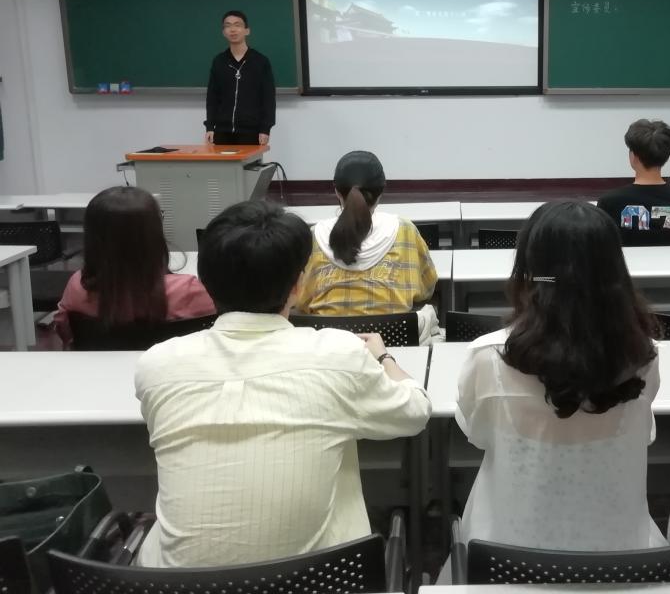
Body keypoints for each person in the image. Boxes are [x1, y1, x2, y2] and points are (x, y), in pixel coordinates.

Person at [134, 200, 431, 568]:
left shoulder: (157, 364)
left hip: (176, 585)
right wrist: (384, 358)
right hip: (313, 579)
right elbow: (415, 413)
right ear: (298, 285)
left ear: (206, 282)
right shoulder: (337, 355)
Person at [455, 200, 664, 552]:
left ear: (529, 271)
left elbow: (476, 435)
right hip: (618, 557)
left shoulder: (487, 356)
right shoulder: (643, 355)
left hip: (507, 556)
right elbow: (643, 432)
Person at [295, 151, 438, 335]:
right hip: (393, 342)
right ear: (381, 191)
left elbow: (301, 301)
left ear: (336, 191)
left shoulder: (314, 236)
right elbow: (426, 289)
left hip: (331, 344)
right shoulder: (405, 230)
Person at [53, 186, 215, 346]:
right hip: (171, 363)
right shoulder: (188, 289)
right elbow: (213, 333)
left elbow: (65, 334)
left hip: (99, 363)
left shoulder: (77, 286)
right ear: (153, 233)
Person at [597, 119, 670, 245]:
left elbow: (602, 246)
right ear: (666, 157)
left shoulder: (609, 202)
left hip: (625, 259)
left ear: (633, 156)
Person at [204, 10, 276, 146]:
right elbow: (212, 97)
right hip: (222, 131)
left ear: (247, 30)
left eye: (237, 25)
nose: (232, 29)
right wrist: (210, 126)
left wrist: (265, 129)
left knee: (248, 162)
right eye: (228, 26)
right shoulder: (219, 61)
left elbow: (268, 98)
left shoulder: (260, 61)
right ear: (223, 32)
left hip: (251, 131)